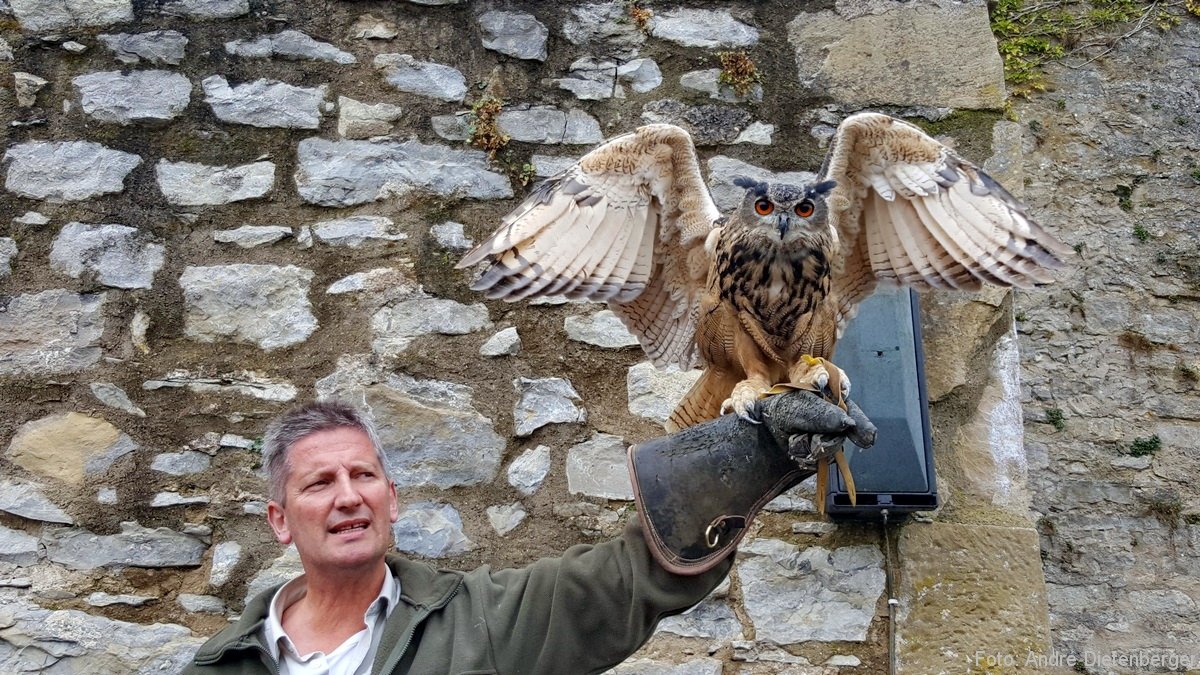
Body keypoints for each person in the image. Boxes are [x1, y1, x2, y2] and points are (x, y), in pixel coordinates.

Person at [185, 393, 871, 675]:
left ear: (391, 499)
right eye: (318, 483)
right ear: (279, 519)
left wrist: (752, 451)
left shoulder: (479, 621)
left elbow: (625, 581)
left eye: (363, 475)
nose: (347, 497)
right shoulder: (225, 666)